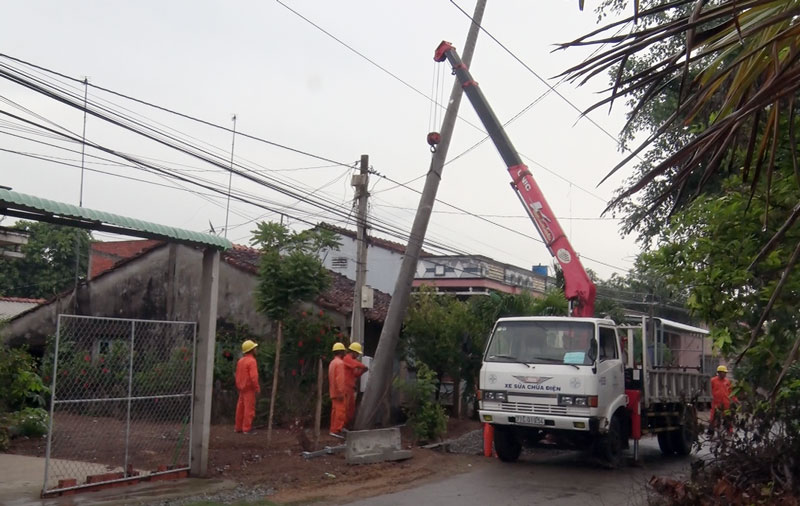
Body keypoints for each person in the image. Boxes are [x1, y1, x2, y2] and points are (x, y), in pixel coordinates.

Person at [235, 339, 260, 434]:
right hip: (249, 388)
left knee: (240, 408)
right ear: (252, 350)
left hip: (241, 388)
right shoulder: (252, 361)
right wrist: (257, 388)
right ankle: (247, 428)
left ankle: (238, 427)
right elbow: (254, 377)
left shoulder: (241, 361)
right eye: (254, 348)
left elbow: (238, 374)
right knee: (249, 409)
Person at [343, 342, 368, 428]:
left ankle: (347, 426)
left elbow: (355, 374)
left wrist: (362, 371)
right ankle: (343, 426)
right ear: (353, 352)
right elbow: (355, 364)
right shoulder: (347, 359)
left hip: (350, 388)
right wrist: (363, 366)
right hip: (346, 388)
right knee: (345, 409)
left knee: (351, 410)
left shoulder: (351, 362)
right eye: (357, 353)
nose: (357, 355)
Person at [709, 364, 737, 433]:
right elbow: (709, 390)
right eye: (723, 372)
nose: (725, 374)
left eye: (725, 373)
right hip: (716, 403)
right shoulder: (713, 380)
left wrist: (735, 400)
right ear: (719, 372)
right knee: (713, 417)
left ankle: (729, 431)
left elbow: (731, 392)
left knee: (728, 417)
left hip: (726, 403)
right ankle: (711, 431)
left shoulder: (727, 381)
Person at [328, 342, 347, 439]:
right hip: (338, 392)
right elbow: (340, 379)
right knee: (340, 412)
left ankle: (333, 429)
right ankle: (337, 430)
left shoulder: (332, 362)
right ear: (341, 352)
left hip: (333, 391)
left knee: (335, 412)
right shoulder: (339, 363)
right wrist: (341, 392)